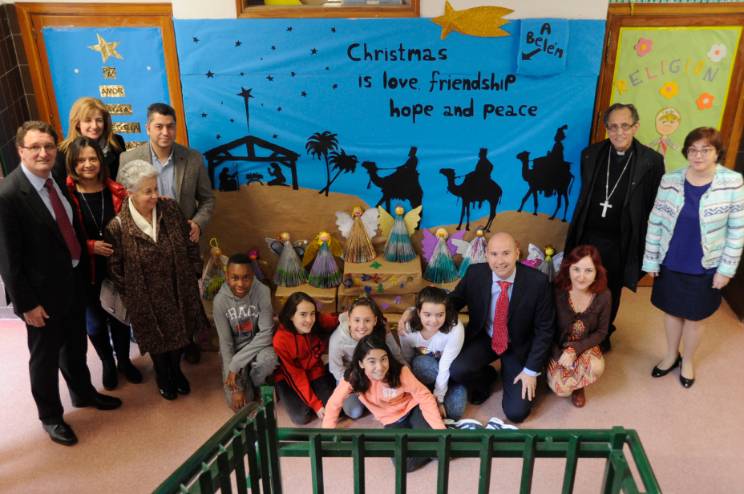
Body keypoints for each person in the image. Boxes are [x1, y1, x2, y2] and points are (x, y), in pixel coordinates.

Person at [0, 121, 121, 446]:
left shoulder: (55, 180)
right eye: (35, 147)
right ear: (21, 151)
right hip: (40, 296)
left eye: (48, 146)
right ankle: (51, 417)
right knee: (44, 358)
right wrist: (27, 304)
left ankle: (83, 393)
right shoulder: (8, 195)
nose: (43, 153)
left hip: (72, 282)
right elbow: (8, 261)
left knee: (75, 346)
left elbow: (70, 227)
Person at [400, 232, 554, 423]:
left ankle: (515, 374)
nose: (500, 261)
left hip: (519, 344)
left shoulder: (538, 282)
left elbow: (545, 330)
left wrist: (531, 370)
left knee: (516, 413)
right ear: (487, 255)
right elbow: (451, 303)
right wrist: (414, 311)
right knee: (457, 369)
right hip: (485, 337)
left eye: (506, 253)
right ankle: (486, 378)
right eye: (494, 254)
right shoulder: (475, 273)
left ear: (517, 253)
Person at [643, 127, 744, 388]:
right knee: (672, 312)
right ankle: (670, 355)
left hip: (706, 265)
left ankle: (687, 361)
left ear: (717, 153)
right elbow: (656, 221)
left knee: (695, 317)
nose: (698, 155)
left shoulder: (733, 182)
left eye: (705, 150)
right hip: (672, 259)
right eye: (693, 150)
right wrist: (651, 259)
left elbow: (737, 231)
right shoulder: (670, 180)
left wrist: (726, 270)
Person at [105, 159, 210, 400]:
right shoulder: (117, 226)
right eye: (147, 191)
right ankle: (163, 374)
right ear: (130, 192)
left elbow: (189, 241)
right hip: (145, 295)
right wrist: (131, 295)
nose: (155, 196)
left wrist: (194, 271)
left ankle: (176, 370)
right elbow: (115, 267)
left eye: (155, 188)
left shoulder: (170, 209)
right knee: (156, 338)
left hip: (178, 285)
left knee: (181, 332)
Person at [119, 102, 215, 363]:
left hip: (182, 242)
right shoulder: (128, 159)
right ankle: (166, 350)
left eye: (170, 126)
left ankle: (189, 340)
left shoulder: (192, 159)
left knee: (187, 295)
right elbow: (122, 202)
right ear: (148, 128)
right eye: (159, 126)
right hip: (146, 243)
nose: (165, 132)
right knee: (159, 300)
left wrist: (198, 223)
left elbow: (207, 200)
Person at [565, 103, 665, 351]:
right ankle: (578, 329)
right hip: (588, 235)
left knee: (611, 288)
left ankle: (603, 333)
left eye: (625, 126)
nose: (619, 132)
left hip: (621, 239)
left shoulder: (652, 161)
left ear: (636, 126)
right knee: (581, 282)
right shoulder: (591, 154)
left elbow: (652, 202)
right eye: (613, 127)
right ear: (606, 128)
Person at [64, 136, 142, 390]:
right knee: (95, 323)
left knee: (119, 317)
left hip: (116, 268)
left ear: (101, 161)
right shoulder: (66, 194)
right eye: (81, 160)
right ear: (72, 164)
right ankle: (107, 361)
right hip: (85, 271)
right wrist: (90, 246)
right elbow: (62, 234)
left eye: (92, 159)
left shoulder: (116, 190)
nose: (88, 164)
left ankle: (124, 361)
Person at [323, 335, 445, 472]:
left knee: (442, 449)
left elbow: (424, 396)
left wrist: (439, 430)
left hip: (413, 409)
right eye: (372, 361)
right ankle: (431, 448)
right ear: (361, 364)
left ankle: (435, 442)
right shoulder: (354, 377)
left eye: (383, 359)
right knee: (404, 464)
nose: (380, 367)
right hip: (391, 420)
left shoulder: (400, 372)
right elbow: (334, 402)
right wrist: (327, 433)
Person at [547, 245, 610, 407]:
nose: (581, 277)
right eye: (576, 269)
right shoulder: (556, 291)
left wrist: (575, 349)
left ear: (597, 272)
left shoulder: (604, 296)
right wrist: (557, 356)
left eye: (588, 270)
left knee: (596, 367)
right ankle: (551, 373)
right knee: (561, 390)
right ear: (568, 269)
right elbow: (546, 329)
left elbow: (602, 332)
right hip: (557, 347)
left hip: (584, 344)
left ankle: (579, 387)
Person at [213, 253, 277, 412]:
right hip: (234, 350)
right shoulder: (220, 301)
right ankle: (245, 380)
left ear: (253, 275)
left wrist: (236, 365)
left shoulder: (262, 291)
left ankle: (257, 382)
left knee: (269, 359)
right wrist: (237, 388)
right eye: (235, 278)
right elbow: (226, 345)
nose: (240, 284)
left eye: (246, 278)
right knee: (241, 408)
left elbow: (266, 333)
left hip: (258, 346)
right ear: (227, 276)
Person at [328, 296, 404, 420]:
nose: (362, 326)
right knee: (354, 412)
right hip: (352, 374)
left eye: (367, 320)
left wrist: (406, 375)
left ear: (375, 321)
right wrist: (354, 385)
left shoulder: (381, 329)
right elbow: (336, 369)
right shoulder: (337, 339)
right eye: (357, 320)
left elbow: (396, 355)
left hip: (377, 370)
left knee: (395, 403)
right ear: (349, 320)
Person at [398, 286, 466, 420]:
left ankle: (442, 391)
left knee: (454, 413)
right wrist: (412, 392)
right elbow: (407, 358)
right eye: (427, 315)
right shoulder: (407, 326)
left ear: (446, 312)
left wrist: (438, 399)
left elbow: (445, 367)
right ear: (418, 312)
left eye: (440, 315)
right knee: (420, 363)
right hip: (426, 370)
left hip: (450, 373)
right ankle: (428, 391)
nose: (433, 321)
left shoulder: (455, 329)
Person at [273, 292, 337, 425]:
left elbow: (341, 318)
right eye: (303, 314)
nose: (309, 320)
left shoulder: (318, 321)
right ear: (291, 315)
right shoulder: (280, 340)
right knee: (302, 417)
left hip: (314, 370)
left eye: (312, 314)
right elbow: (296, 376)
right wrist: (316, 404)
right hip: (290, 377)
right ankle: (288, 394)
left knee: (334, 408)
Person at [54, 96, 126, 182]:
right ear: (77, 123)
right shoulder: (63, 152)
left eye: (99, 120)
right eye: (88, 120)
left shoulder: (117, 142)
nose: (94, 126)